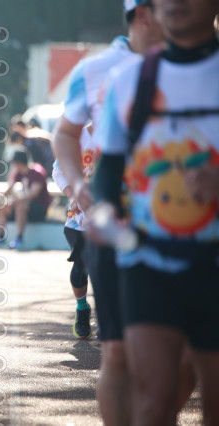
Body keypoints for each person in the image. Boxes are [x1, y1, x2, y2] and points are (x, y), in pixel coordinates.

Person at [93, 0, 219, 424]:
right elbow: (108, 171)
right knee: (152, 404)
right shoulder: (131, 80)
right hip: (148, 264)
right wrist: (104, 213)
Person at [52, 1, 171, 424]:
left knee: (188, 355)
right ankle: (83, 310)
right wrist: (77, 186)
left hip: (185, 230)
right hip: (106, 224)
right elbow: (63, 136)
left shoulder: (202, 65)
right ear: (145, 13)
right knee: (118, 350)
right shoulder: (101, 71)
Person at [53, 126, 97, 339]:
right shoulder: (77, 136)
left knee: (106, 268)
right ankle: (82, 308)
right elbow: (58, 170)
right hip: (78, 220)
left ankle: (107, 316)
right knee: (82, 266)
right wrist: (72, 196)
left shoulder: (123, 132)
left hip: (113, 217)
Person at [0, 150, 51, 249]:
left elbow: (33, 194)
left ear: (19, 163)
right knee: (3, 206)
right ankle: (0, 238)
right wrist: (0, 199)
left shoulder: (38, 172)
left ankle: (19, 239)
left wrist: (16, 201)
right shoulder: (18, 173)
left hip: (39, 209)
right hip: (24, 206)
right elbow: (9, 189)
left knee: (20, 206)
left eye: (14, 163)